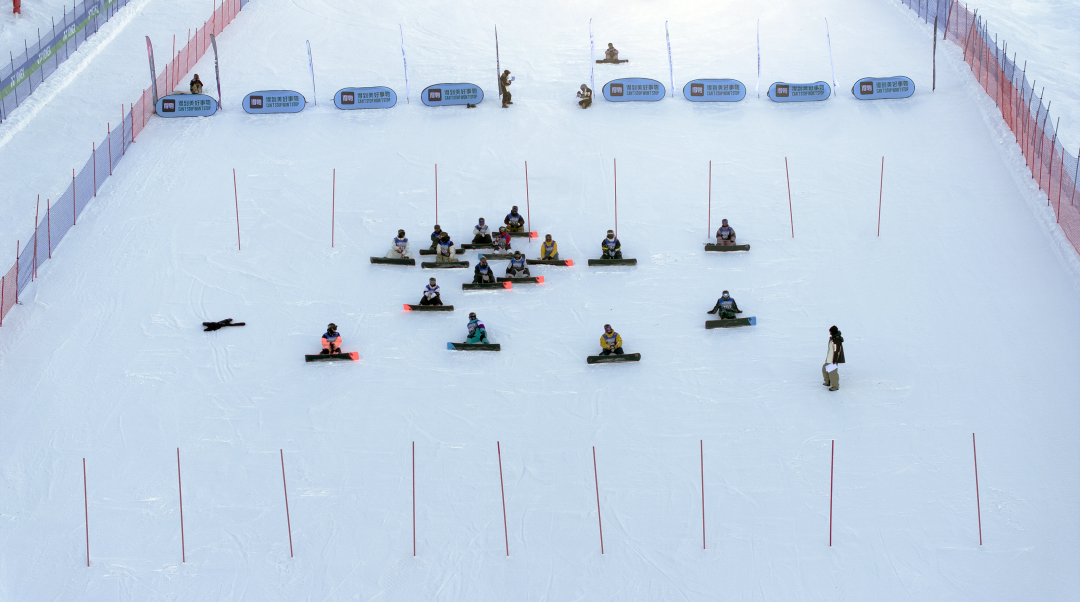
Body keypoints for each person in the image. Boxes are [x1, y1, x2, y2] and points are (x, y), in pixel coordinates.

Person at [822, 325, 845, 391]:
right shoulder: (833, 338)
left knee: (832, 373)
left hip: (833, 360)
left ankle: (835, 386)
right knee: (824, 369)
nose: (830, 333)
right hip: (829, 359)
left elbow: (837, 351)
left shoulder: (836, 340)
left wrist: (835, 360)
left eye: (830, 332)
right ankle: (828, 381)